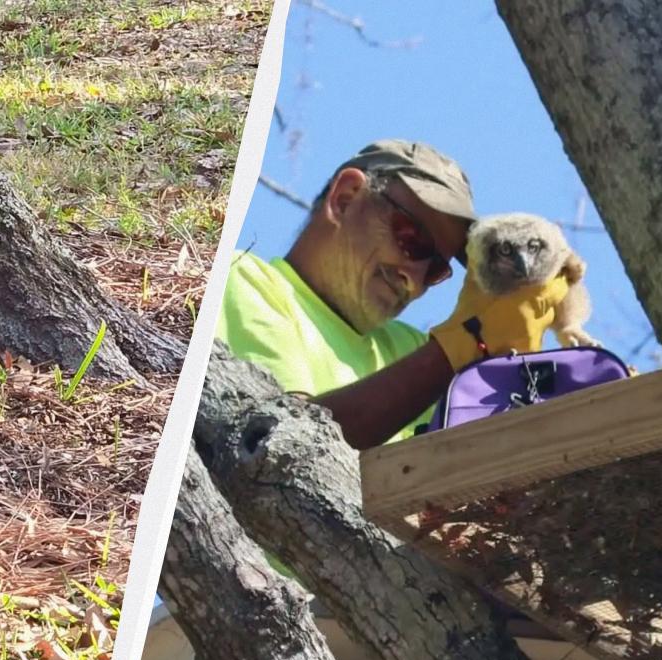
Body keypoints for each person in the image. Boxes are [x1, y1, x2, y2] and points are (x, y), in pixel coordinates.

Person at [217, 140, 568, 449]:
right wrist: (455, 349)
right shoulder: (240, 279)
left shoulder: (411, 348)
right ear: (345, 198)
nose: (414, 280)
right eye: (411, 239)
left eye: (436, 269)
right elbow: (280, 445)